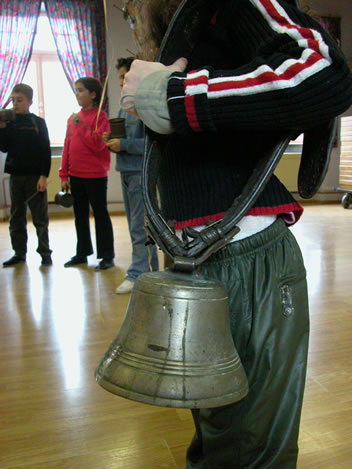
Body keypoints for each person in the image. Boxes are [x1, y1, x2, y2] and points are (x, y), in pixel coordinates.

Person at [120, 1, 352, 468]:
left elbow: (323, 71)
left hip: (246, 255)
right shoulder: (186, 17)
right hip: (206, 258)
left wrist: (178, 96)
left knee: (247, 448)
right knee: (226, 440)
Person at [103, 57, 159, 294]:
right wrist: (111, 141)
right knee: (136, 226)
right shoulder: (124, 106)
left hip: (139, 173)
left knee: (140, 226)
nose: (122, 82)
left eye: (125, 77)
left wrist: (123, 143)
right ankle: (149, 271)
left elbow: (151, 143)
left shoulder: (145, 106)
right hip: (126, 170)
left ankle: (139, 274)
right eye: (119, 78)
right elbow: (123, 138)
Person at [59, 77, 115, 271]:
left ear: (92, 94)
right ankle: (82, 253)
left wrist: (81, 126)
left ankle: (107, 256)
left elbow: (98, 144)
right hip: (75, 175)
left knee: (100, 215)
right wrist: (63, 174)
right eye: (76, 90)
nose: (77, 94)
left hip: (96, 175)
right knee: (79, 216)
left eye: (81, 90)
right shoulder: (72, 118)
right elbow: (67, 146)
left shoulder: (102, 117)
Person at [0, 83, 52, 267]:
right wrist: (2, 127)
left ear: (29, 101)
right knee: (16, 217)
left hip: (34, 177)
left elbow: (45, 151)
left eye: (19, 100)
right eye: (13, 100)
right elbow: (4, 147)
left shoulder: (37, 123)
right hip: (16, 176)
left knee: (40, 218)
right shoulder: (10, 122)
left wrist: (43, 176)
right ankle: (19, 253)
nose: (15, 103)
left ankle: (45, 253)